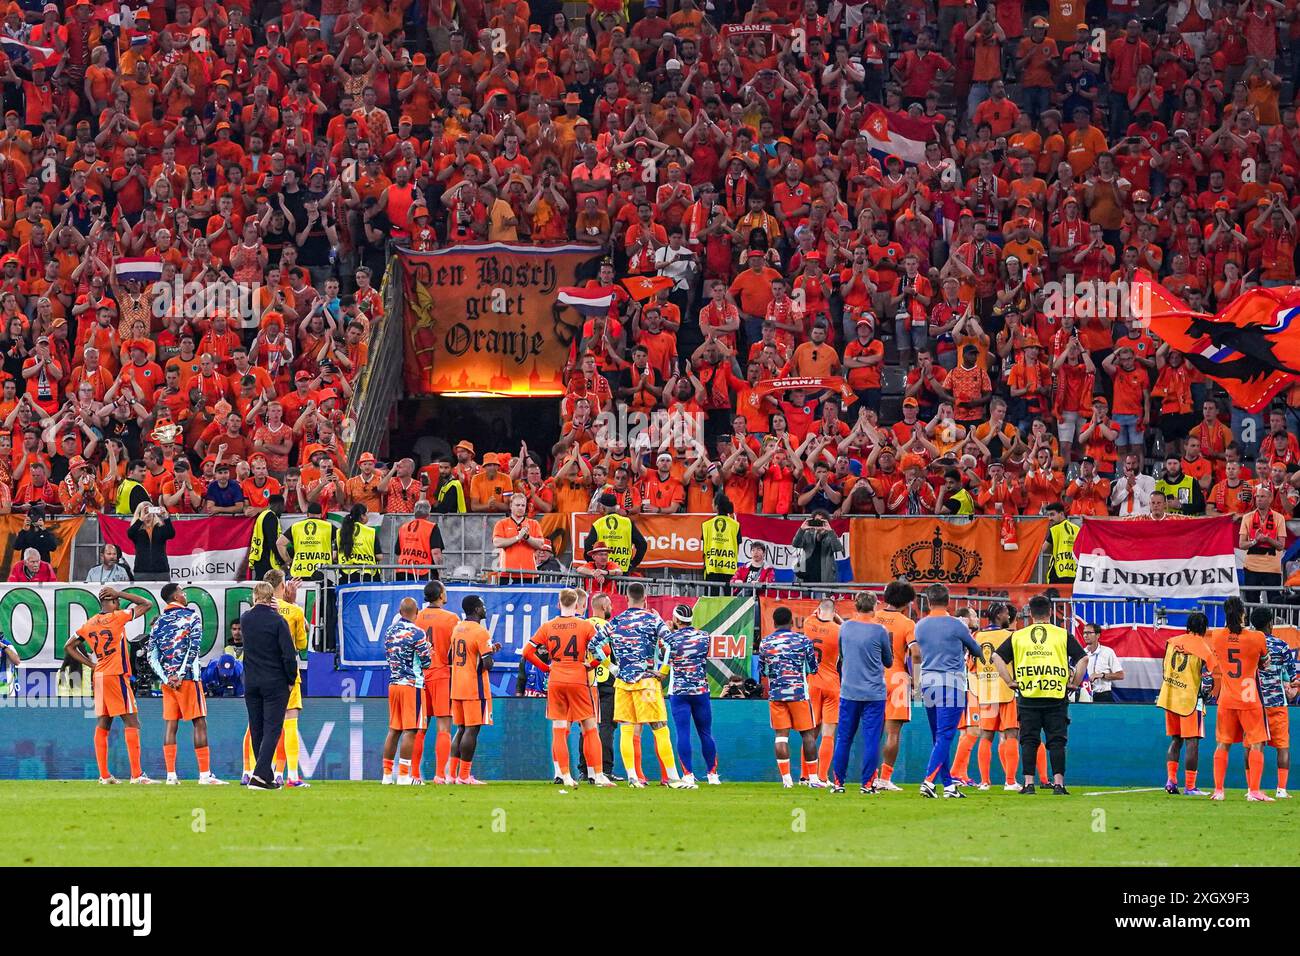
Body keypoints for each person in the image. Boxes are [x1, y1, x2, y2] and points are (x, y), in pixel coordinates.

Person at [992, 594, 1089, 795]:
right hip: (1056, 695)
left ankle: (1028, 784)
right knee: (1057, 741)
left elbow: (996, 657)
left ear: (1030, 614)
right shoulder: (1062, 634)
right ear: (1050, 612)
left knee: (1029, 740)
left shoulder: (1018, 635)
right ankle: (1059, 784)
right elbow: (1083, 659)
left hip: (1028, 696)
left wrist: (1010, 681)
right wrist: (1074, 683)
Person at [63, 587, 156, 785]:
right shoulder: (117, 616)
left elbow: (69, 646)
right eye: (117, 601)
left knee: (104, 724)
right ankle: (137, 775)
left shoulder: (89, 624)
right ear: (112, 602)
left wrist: (92, 665)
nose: (120, 604)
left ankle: (104, 776)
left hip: (100, 676)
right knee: (132, 722)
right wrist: (120, 593)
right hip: (116, 675)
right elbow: (146, 604)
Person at [523, 588, 612, 788]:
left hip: (556, 677)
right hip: (578, 676)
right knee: (590, 728)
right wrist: (591, 665)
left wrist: (547, 668)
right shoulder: (585, 625)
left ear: (558, 603)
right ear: (577, 605)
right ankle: (598, 775)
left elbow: (528, 652)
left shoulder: (548, 626)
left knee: (559, 729)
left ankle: (565, 775)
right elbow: (605, 650)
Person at [607, 581, 691, 789]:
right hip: (646, 681)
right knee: (660, 727)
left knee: (626, 729)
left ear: (627, 599)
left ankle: (633, 778)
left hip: (622, 682)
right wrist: (663, 669)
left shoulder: (615, 621)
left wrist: (612, 668)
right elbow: (672, 642)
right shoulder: (653, 619)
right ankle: (672, 778)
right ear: (645, 600)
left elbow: (593, 645)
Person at [148, 583, 224, 785]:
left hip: (168, 683)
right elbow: (194, 648)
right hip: (188, 679)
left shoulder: (158, 622)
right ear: (176, 596)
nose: (185, 594)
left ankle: (171, 776)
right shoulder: (192, 617)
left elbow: (151, 656)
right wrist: (181, 674)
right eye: (182, 591)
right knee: (199, 722)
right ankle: (205, 775)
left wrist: (166, 678)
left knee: (170, 725)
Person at [913, 584, 984, 798]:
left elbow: (917, 654)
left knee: (938, 737)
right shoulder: (956, 625)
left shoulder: (920, 625)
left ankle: (949, 786)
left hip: (927, 682)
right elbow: (977, 650)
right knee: (945, 735)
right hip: (951, 682)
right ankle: (928, 781)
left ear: (928, 600)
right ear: (949, 600)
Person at [1209, 597, 1273, 801]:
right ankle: (1253, 791)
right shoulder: (1257, 637)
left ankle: (1219, 791)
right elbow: (1265, 662)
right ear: (1243, 613)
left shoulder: (1217, 636)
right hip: (1249, 698)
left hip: (1227, 699)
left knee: (1223, 744)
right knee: (1256, 743)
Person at [830, 592, 893, 794]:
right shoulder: (880, 631)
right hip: (874, 693)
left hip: (849, 691)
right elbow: (889, 661)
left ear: (856, 606)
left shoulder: (845, 627)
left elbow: (842, 653)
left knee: (844, 738)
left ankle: (838, 783)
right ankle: (867, 784)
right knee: (872, 740)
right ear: (874, 606)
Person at [240, 581, 298, 791]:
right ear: (272, 597)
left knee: (256, 728)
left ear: (255, 597)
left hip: (252, 681)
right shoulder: (278, 621)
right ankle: (258, 776)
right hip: (275, 682)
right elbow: (288, 655)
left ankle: (265, 776)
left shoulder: (246, 619)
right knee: (272, 728)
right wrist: (291, 679)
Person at [757, 605, 822, 789]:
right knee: (808, 736)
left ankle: (787, 780)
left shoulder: (765, 643)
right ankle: (814, 779)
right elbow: (813, 668)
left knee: (780, 737)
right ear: (791, 622)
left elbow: (763, 671)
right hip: (799, 693)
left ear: (774, 622)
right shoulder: (803, 641)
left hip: (776, 694)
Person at [1158, 612, 1221, 797]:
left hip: (1170, 697)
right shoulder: (1203, 648)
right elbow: (1209, 678)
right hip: (1191, 700)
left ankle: (1171, 781)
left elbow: (1164, 668)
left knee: (1176, 740)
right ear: (1204, 629)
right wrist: (1206, 695)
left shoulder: (1172, 642)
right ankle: (1190, 787)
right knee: (1192, 741)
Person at [972, 603, 1033, 791]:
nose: (1009, 616)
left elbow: (971, 666)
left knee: (986, 736)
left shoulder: (977, 636)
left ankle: (984, 782)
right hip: (1007, 690)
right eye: (1006, 613)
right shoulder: (1011, 636)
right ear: (999, 615)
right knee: (1011, 733)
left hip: (985, 692)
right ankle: (1010, 781)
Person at [661, 603, 720, 787]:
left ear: (677, 619)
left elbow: (666, 656)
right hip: (700, 690)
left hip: (679, 692)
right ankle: (712, 774)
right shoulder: (704, 637)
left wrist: (669, 631)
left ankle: (687, 774)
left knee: (683, 733)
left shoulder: (671, 639)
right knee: (705, 733)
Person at [381, 597, 433, 786]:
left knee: (394, 729)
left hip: (394, 683)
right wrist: (429, 651)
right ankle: (403, 775)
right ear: (416, 612)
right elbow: (427, 662)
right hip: (412, 685)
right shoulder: (418, 633)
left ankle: (387, 775)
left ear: (400, 611)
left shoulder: (389, 631)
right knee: (410, 730)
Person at [875, 580, 920, 791]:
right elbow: (916, 653)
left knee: (870, 731)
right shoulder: (907, 623)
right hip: (897, 678)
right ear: (906, 603)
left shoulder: (872, 617)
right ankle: (884, 779)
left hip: (872, 679)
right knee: (892, 733)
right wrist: (917, 682)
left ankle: (869, 778)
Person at [448, 595, 497, 785]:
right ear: (476, 609)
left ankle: (452, 775)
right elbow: (487, 664)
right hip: (474, 689)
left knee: (460, 729)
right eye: (482, 606)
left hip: (457, 686)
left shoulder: (457, 628)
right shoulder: (481, 632)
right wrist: (491, 653)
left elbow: (452, 656)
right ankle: (464, 776)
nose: (485, 609)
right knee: (472, 730)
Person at [412, 580, 458, 785]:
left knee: (419, 727)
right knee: (444, 726)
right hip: (442, 674)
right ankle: (440, 774)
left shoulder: (416, 618)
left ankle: (414, 775)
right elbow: (456, 649)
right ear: (440, 595)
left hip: (420, 676)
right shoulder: (451, 619)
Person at [1252, 607, 1298, 799]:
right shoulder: (1282, 646)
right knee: (1282, 746)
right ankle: (1281, 790)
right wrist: (1292, 689)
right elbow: (1293, 677)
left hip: (1255, 702)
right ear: (1270, 623)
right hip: (1278, 702)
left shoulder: (1249, 644)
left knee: (1255, 745)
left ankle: (1252, 789)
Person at [803, 598, 843, 786]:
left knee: (810, 732)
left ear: (819, 609)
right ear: (834, 613)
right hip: (832, 684)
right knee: (828, 732)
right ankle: (822, 777)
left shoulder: (808, 623)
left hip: (811, 683)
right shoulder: (839, 631)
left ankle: (805, 776)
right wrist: (838, 619)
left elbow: (816, 613)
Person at [279, 508, 338, 581]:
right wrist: (335, 554)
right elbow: (342, 538)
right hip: (323, 571)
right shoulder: (328, 526)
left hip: (299, 571)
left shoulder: (296, 526)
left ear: (307, 514)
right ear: (321, 515)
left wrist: (288, 561)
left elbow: (280, 543)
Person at [395, 500, 445, 580]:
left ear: (414, 512)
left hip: (403, 569)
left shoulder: (403, 527)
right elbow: (436, 553)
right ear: (428, 514)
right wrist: (441, 572)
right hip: (423, 572)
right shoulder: (432, 527)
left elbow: (398, 551)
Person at [792, 510, 843, 584]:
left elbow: (838, 548)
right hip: (806, 579)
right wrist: (802, 529)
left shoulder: (830, 536)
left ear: (826, 522)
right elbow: (795, 544)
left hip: (823, 580)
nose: (818, 524)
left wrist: (829, 530)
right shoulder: (807, 534)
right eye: (816, 521)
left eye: (821, 521)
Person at [128, 502, 176, 582]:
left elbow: (171, 534)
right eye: (145, 511)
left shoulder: (160, 528)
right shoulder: (137, 530)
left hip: (161, 571)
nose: (148, 514)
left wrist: (166, 517)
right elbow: (130, 534)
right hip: (141, 571)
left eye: (150, 510)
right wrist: (141, 519)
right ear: (139, 513)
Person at [701, 496, 741, 587]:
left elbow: (704, 547)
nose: (711, 505)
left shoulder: (706, 525)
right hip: (729, 569)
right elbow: (737, 549)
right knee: (729, 600)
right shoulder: (735, 525)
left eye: (712, 503)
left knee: (711, 600)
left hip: (711, 569)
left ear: (717, 506)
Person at [1080, 622, 1125, 702]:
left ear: (1098, 635)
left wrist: (1101, 675)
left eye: (1089, 633)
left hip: (1103, 695)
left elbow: (1120, 675)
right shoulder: (1081, 653)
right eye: (1084, 633)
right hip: (1085, 695)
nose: (1085, 635)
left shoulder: (1107, 652)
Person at [248, 494, 287, 580]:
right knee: (268, 588)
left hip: (259, 556)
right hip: (266, 559)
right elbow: (272, 541)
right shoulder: (271, 516)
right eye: (282, 506)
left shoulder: (262, 515)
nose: (283, 509)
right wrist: (280, 560)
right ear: (279, 505)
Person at [338, 503, 380, 582]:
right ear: (362, 516)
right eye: (367, 514)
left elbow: (334, 555)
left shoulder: (339, 532)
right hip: (368, 575)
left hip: (346, 575)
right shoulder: (371, 532)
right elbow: (379, 556)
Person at [1043, 502, 1079, 583]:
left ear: (1061, 514)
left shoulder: (1055, 529)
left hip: (1057, 572)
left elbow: (1044, 549)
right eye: (1048, 515)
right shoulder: (1077, 528)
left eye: (1052, 514)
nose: (1049, 518)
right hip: (1074, 572)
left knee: (1054, 595)